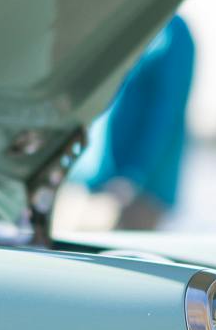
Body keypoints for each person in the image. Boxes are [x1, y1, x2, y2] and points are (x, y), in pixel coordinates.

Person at [83, 13, 195, 229]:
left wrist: (133, 174)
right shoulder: (119, 22)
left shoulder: (172, 33)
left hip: (138, 191)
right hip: (96, 181)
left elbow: (164, 111)